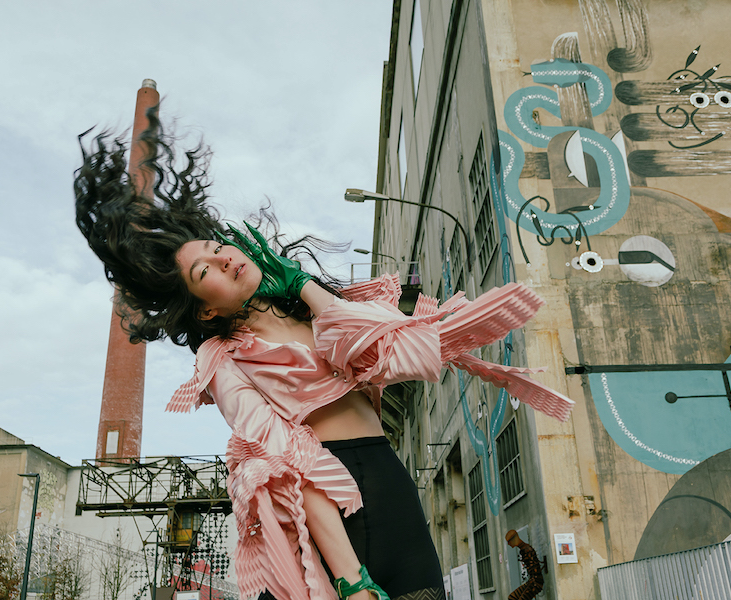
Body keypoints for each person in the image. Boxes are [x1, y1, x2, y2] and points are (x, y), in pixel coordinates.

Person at [74, 111, 573, 600]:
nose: (223, 259)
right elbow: (291, 464)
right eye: (205, 272)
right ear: (205, 310)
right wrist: (351, 580)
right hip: (329, 504)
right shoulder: (225, 363)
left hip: (390, 482)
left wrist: (304, 285)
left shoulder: (319, 312)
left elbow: (394, 350)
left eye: (215, 247)